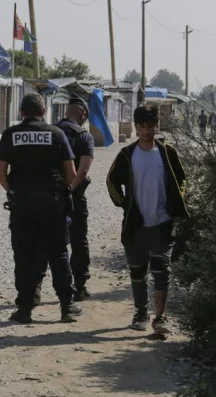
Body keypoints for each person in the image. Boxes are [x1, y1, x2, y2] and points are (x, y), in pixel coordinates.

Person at [0, 93, 83, 324]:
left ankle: (24, 309)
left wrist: (13, 191)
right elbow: (71, 173)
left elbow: (1, 173)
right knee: (58, 254)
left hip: (22, 205)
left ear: (21, 112)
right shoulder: (56, 133)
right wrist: (60, 192)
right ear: (43, 112)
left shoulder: (10, 134)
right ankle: (66, 307)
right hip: (52, 204)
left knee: (24, 255)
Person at [105, 104, 187, 339]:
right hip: (136, 224)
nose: (148, 130)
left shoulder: (167, 152)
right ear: (136, 127)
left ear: (156, 126)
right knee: (138, 271)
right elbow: (111, 181)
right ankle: (141, 313)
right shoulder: (127, 154)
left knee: (162, 269)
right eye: (143, 126)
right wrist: (125, 204)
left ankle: (160, 318)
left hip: (163, 222)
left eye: (151, 125)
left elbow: (181, 179)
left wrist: (175, 202)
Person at [55, 97, 96, 301]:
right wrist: (70, 189)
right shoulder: (84, 136)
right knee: (79, 240)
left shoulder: (52, 131)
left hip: (52, 196)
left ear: (66, 112)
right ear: (83, 115)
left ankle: (50, 287)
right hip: (75, 196)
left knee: (53, 241)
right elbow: (83, 170)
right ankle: (79, 286)